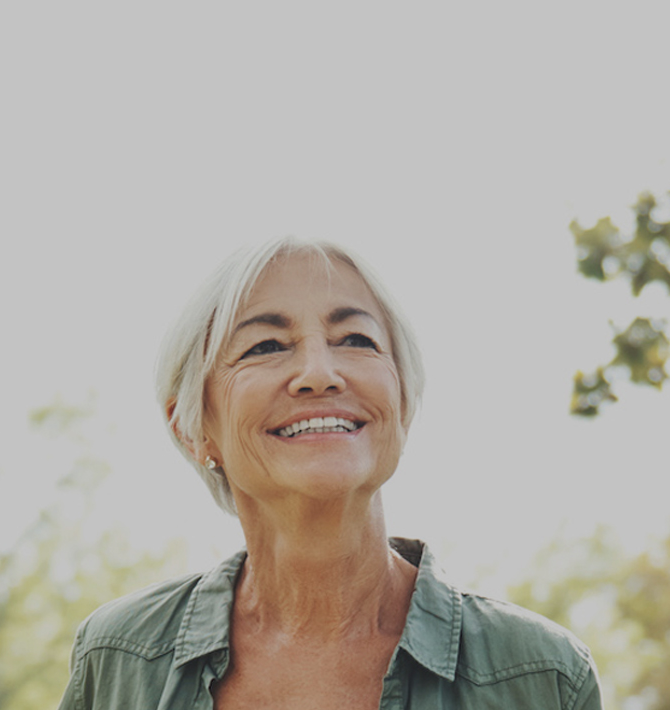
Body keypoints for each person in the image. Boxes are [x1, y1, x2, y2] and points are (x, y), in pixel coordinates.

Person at [58, 238, 601, 709]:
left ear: (404, 403)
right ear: (193, 428)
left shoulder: (541, 676)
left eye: (356, 340)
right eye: (265, 345)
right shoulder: (117, 659)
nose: (319, 373)